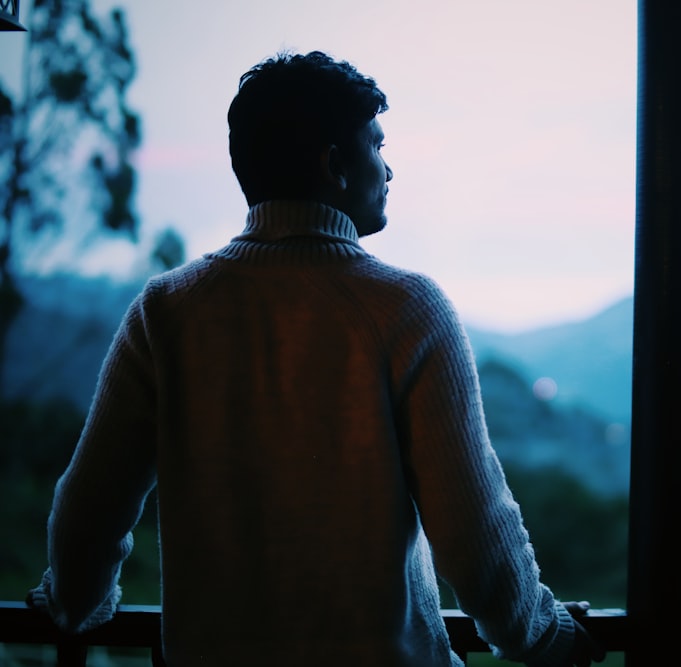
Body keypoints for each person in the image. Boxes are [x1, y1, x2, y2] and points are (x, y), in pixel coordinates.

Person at [27, 50, 606, 666]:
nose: (390, 171)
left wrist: (75, 607)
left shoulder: (167, 310)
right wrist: (542, 632)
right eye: (377, 147)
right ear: (335, 164)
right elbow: (474, 532)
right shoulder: (408, 309)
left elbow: (88, 511)